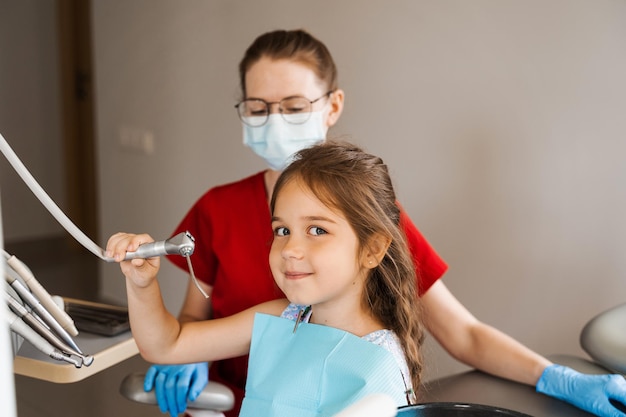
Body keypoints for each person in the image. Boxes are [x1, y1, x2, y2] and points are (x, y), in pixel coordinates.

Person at [144, 29, 626, 417]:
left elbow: (464, 334)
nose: (275, 122)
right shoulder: (215, 210)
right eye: (258, 109)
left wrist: (555, 377)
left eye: (293, 107)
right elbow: (192, 321)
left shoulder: (366, 216)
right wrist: (195, 357)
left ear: (331, 107)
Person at [108, 141, 426, 417]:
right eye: (282, 230)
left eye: (317, 230)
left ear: (372, 249)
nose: (290, 249)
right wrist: (141, 284)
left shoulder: (380, 366)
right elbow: (166, 345)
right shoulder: (284, 319)